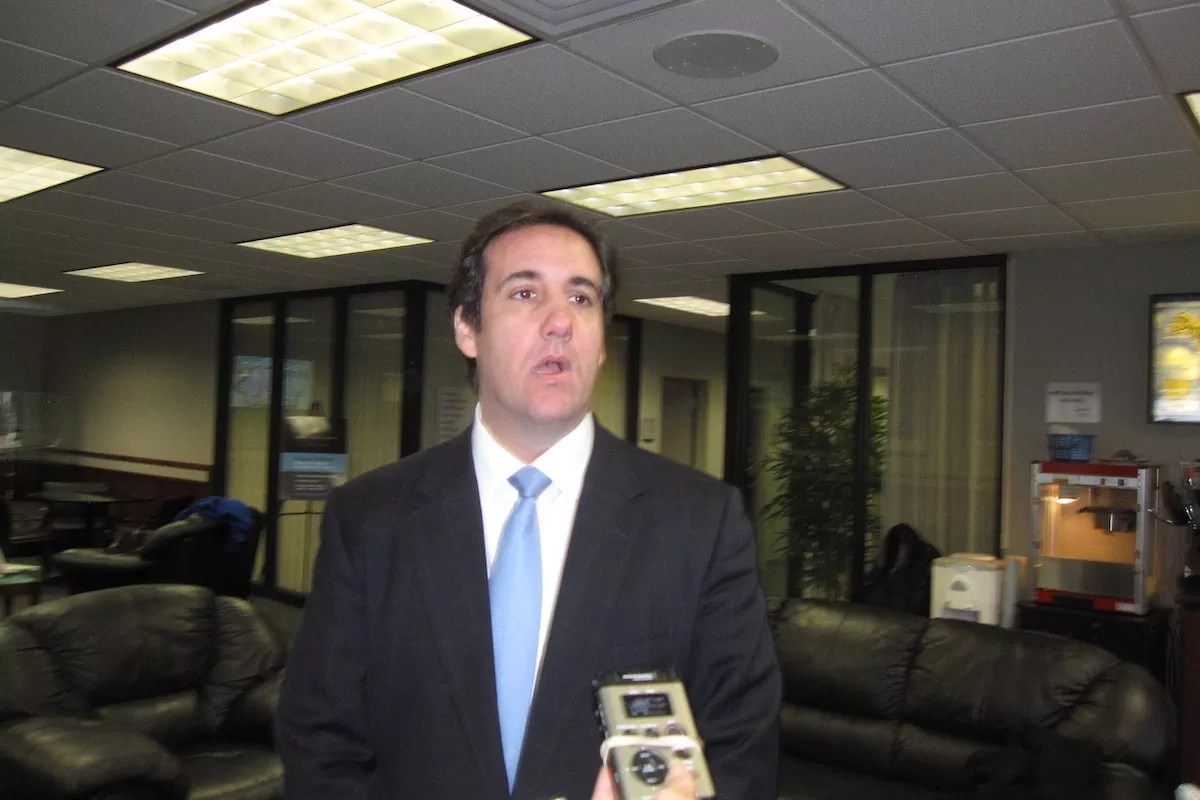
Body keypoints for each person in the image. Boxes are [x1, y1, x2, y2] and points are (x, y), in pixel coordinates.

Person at [276, 200, 780, 800]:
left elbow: (742, 749)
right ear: (468, 329)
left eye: (582, 297)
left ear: (602, 341)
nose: (560, 320)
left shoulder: (700, 522)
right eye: (524, 293)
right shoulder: (370, 518)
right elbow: (321, 742)